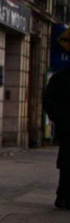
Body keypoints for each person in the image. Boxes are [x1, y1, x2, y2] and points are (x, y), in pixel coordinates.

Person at [43, 67, 70, 210]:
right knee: (66, 163)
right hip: (67, 128)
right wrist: (59, 118)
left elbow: (48, 100)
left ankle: (63, 196)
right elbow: (48, 100)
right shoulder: (61, 78)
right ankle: (63, 196)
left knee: (66, 163)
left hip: (65, 126)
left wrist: (57, 118)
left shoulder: (59, 78)